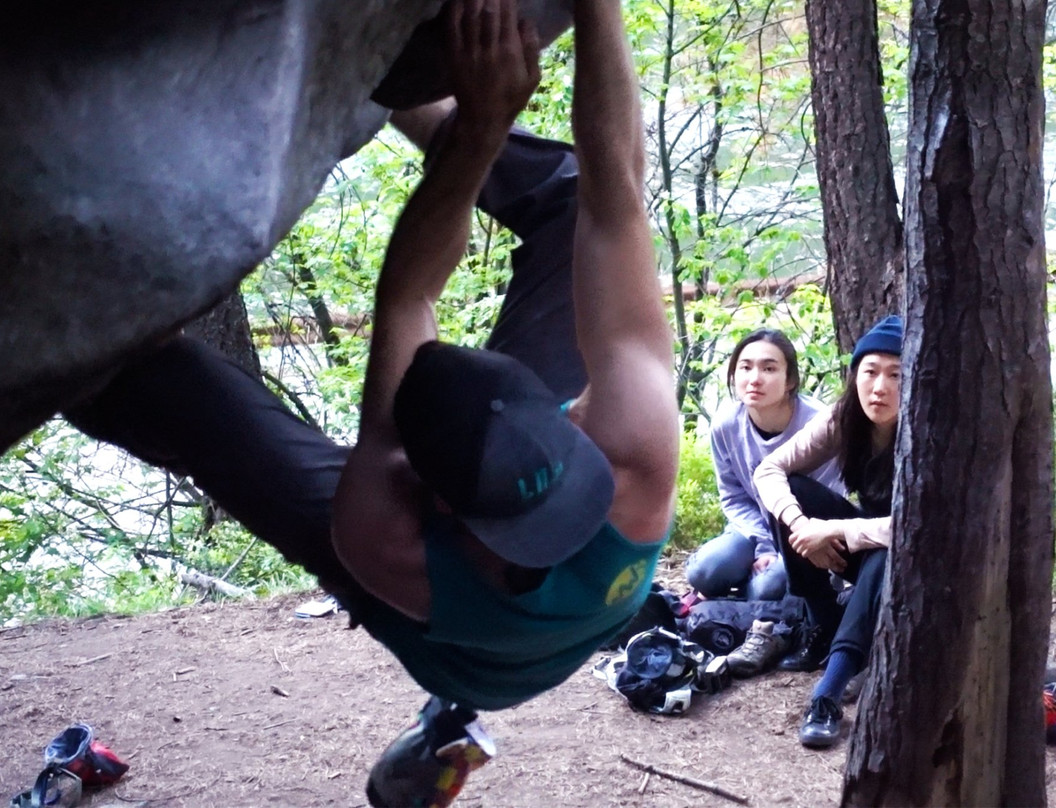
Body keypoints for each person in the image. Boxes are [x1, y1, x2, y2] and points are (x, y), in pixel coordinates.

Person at [65, 0, 679, 803]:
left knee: (156, 384)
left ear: (426, 490)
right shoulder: (632, 463)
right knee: (570, 210)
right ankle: (399, 94)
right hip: (539, 595)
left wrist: (484, 134)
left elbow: (407, 299)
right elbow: (614, 197)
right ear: (563, 417)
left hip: (447, 636)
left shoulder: (383, 537)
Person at [752, 314, 902, 748]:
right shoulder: (846, 419)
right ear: (855, 375)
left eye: (896, 375)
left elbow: (916, 527)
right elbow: (769, 469)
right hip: (869, 541)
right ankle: (823, 625)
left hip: (919, 560)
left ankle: (829, 691)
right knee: (794, 494)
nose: (880, 387)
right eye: (870, 372)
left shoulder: (929, 431)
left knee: (882, 554)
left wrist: (831, 529)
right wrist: (802, 526)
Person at [684, 329, 842, 678]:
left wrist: (780, 547)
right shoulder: (727, 424)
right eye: (745, 367)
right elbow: (733, 496)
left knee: (766, 587)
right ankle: (755, 595)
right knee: (703, 573)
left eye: (769, 369)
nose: (755, 378)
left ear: (790, 380)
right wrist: (762, 546)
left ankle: (766, 602)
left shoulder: (818, 424)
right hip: (751, 528)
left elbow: (826, 495)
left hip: (803, 535)